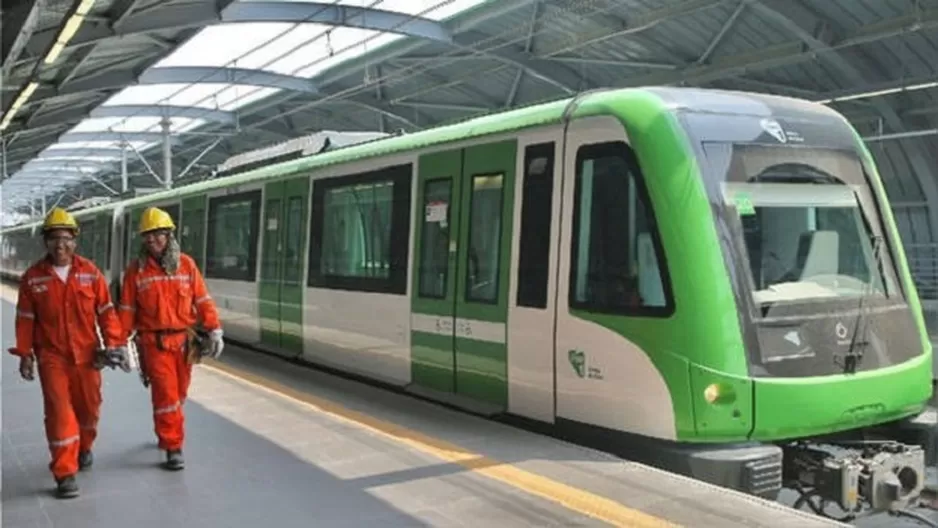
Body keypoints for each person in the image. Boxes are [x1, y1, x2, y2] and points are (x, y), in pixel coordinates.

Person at [8, 207, 129, 499]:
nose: (60, 245)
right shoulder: (33, 278)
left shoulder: (91, 274)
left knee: (89, 409)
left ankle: (84, 446)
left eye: (65, 238)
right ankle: (64, 473)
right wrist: (25, 353)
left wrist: (116, 343)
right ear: (45, 242)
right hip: (53, 358)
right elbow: (25, 319)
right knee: (59, 413)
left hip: (88, 356)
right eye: (53, 238)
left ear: (75, 240)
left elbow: (106, 313)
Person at [118, 206, 224, 470]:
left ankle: (169, 430)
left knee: (179, 393)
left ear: (169, 236)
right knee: (165, 395)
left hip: (184, 342)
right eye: (147, 236)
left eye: (158, 235)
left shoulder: (186, 265)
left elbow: (202, 299)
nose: (152, 240)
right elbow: (127, 310)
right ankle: (172, 446)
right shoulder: (136, 271)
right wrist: (118, 342)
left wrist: (214, 328)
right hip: (153, 343)